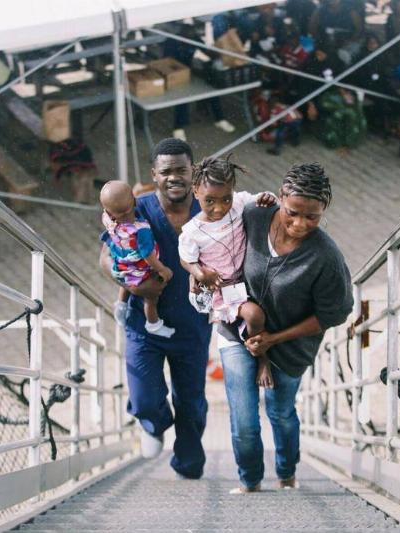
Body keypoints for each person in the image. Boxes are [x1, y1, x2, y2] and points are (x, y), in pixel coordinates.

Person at [217, 162, 353, 493]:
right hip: (239, 331)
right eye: (292, 212)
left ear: (324, 212)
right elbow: (211, 221)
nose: (300, 223)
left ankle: (287, 473)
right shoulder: (255, 215)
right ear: (279, 197)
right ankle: (249, 481)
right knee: (245, 421)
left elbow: (334, 314)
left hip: (290, 347)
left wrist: (274, 338)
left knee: (279, 413)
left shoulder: (326, 257)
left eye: (312, 217)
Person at [99, 138, 211, 479]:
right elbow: (105, 257)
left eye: (182, 170)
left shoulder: (209, 211)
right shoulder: (135, 209)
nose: (174, 177)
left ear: (194, 171)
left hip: (192, 325)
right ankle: (155, 424)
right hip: (143, 325)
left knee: (191, 405)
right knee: (145, 397)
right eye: (166, 172)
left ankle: (189, 464)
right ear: (154, 175)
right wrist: (132, 285)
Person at [178, 155, 277, 388]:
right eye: (210, 201)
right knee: (254, 316)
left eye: (226, 199)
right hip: (223, 290)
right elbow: (186, 259)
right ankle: (263, 358)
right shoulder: (193, 231)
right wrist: (200, 273)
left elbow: (266, 199)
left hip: (248, 279)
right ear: (196, 192)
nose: (219, 208)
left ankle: (245, 335)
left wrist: (266, 198)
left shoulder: (240, 203)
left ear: (233, 191)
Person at [100, 181, 176, 338]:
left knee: (126, 277)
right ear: (135, 201)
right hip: (141, 270)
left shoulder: (110, 223)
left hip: (122, 264)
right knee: (151, 298)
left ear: (108, 212)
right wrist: (162, 269)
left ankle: (121, 306)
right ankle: (153, 324)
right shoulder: (141, 230)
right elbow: (148, 255)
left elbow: (106, 215)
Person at [162, 25, 235, 142]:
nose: (193, 34)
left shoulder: (194, 38)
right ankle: (178, 127)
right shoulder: (171, 41)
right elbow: (166, 61)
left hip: (190, 70)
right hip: (175, 73)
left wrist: (220, 51)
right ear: (182, 32)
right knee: (183, 96)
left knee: (211, 87)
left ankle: (219, 119)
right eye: (190, 32)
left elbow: (206, 51)